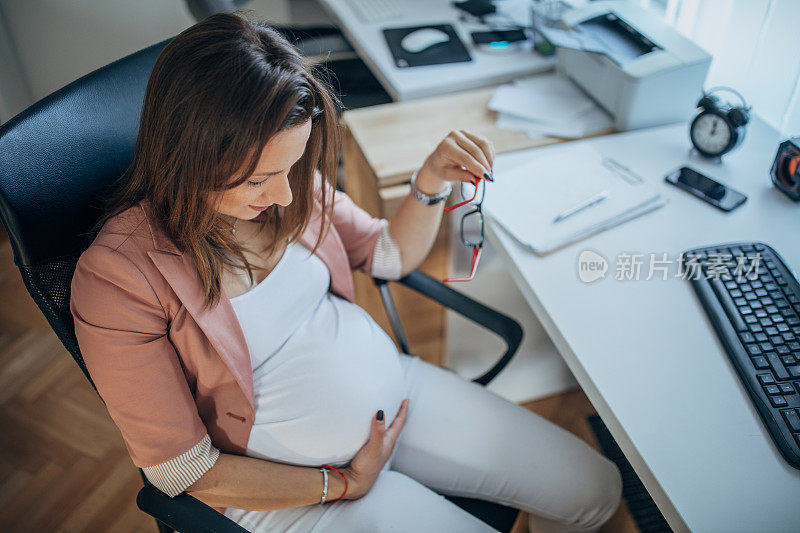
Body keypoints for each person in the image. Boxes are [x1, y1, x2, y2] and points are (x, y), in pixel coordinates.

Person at [69, 12, 622, 533]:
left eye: (290, 167)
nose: (286, 194)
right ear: (187, 159)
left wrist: (427, 182)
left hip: (396, 400)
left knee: (596, 488)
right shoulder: (119, 278)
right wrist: (339, 483)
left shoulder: (286, 187)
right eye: (258, 180)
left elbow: (388, 256)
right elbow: (183, 471)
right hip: (296, 492)